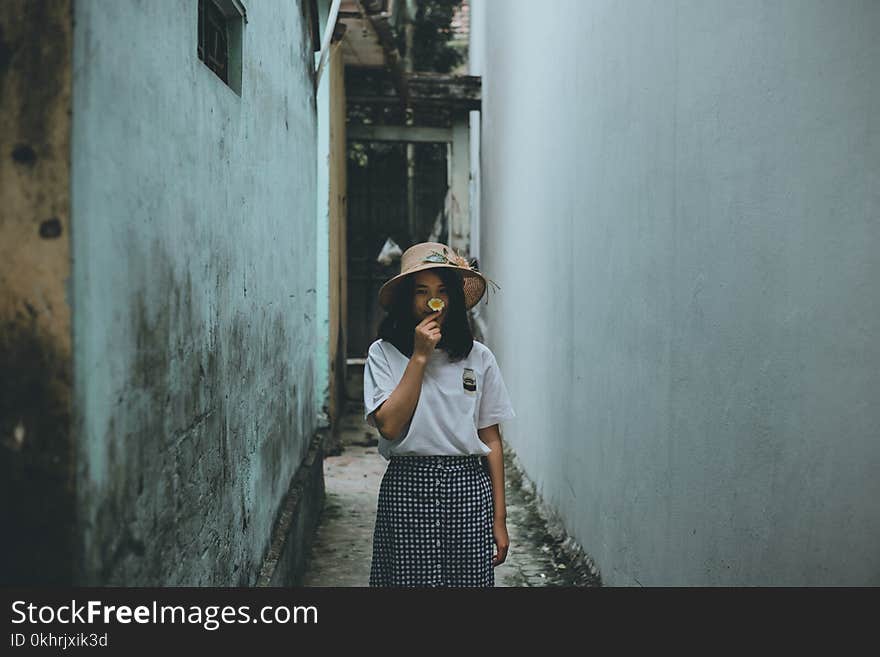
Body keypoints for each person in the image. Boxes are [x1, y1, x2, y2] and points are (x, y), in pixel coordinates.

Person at [363, 241, 516, 587]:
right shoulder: (383, 354)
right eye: (422, 291)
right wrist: (419, 356)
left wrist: (500, 518)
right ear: (407, 298)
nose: (434, 301)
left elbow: (490, 437)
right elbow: (388, 426)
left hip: (467, 489)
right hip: (407, 486)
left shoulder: (479, 358)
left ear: (454, 298)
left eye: (442, 291)